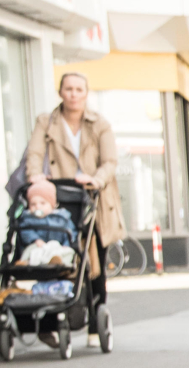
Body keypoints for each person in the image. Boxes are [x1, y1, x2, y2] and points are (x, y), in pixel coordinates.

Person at [23, 72, 123, 345]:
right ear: (61, 92)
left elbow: (110, 161)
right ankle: (50, 321)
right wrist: (35, 176)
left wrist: (96, 179)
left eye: (79, 89)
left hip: (92, 198)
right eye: (69, 89)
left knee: (95, 264)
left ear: (86, 93)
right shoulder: (47, 121)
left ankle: (94, 324)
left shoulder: (99, 124)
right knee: (54, 259)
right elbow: (35, 153)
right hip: (58, 196)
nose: (74, 94)